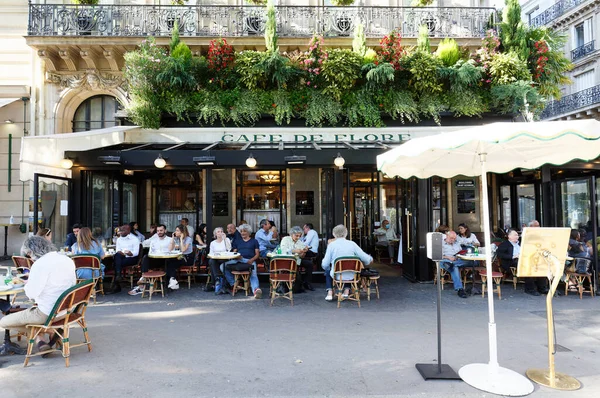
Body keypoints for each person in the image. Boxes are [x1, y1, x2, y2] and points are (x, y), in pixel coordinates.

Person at [0, 236, 75, 352]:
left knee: (4, 322)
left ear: (31, 251)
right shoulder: (67, 260)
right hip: (65, 310)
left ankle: (51, 331)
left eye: (28, 254)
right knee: (31, 312)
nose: (29, 257)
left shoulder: (39, 264)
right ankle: (44, 337)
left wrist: (28, 283)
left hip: (46, 312)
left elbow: (31, 294)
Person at [321, 225, 373, 302]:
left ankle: (330, 292)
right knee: (348, 268)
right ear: (346, 233)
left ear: (334, 234)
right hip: (352, 275)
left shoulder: (331, 245)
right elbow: (365, 258)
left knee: (328, 271)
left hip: (337, 275)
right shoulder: (352, 244)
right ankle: (346, 291)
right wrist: (370, 259)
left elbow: (325, 264)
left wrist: (328, 268)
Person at [497, 228, 546, 296]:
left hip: (524, 259)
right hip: (511, 262)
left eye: (517, 235)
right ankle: (530, 289)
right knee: (527, 266)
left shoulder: (520, 243)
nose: (517, 236)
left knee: (539, 264)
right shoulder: (505, 244)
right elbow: (500, 255)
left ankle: (542, 288)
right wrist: (513, 256)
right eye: (515, 235)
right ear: (509, 236)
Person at [129, 224, 171, 295]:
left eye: (161, 230)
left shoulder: (169, 240)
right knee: (145, 257)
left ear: (165, 231)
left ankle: (166, 285)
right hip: (155, 259)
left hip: (165, 260)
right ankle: (143, 278)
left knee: (168, 262)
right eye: (158, 231)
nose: (159, 232)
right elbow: (150, 250)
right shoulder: (154, 240)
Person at [223, 224, 262, 299]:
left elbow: (257, 254)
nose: (242, 233)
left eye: (244, 231)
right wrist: (236, 256)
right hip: (238, 260)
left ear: (249, 232)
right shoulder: (237, 241)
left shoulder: (254, 241)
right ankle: (233, 284)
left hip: (250, 260)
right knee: (222, 266)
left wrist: (251, 260)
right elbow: (234, 252)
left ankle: (256, 290)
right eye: (241, 231)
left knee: (253, 274)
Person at [280, 226, 314, 291]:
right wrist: (295, 251)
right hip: (287, 260)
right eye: (296, 236)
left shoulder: (299, 242)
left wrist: (303, 252)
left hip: (297, 260)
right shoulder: (285, 239)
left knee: (309, 264)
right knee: (295, 268)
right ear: (291, 234)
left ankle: (307, 282)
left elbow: (302, 255)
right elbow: (283, 250)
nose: (298, 237)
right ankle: (293, 285)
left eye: (299, 236)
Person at [440, 231, 470, 298]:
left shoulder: (456, 243)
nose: (452, 240)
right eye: (451, 238)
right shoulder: (441, 244)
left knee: (467, 261)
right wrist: (448, 257)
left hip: (456, 260)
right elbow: (437, 256)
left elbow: (460, 253)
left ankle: (452, 264)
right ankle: (460, 289)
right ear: (447, 236)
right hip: (445, 260)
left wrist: (458, 256)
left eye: (454, 238)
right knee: (454, 268)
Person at [165, 224, 193, 292]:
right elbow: (170, 249)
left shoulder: (188, 239)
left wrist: (181, 239)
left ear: (182, 232)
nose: (175, 232)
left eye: (177, 230)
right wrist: (172, 238)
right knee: (167, 261)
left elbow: (183, 250)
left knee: (171, 263)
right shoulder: (176, 238)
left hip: (187, 258)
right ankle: (172, 280)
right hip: (179, 257)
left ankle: (171, 280)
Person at [112, 224, 140, 292]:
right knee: (117, 256)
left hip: (132, 258)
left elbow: (136, 253)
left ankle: (117, 281)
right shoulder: (119, 239)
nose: (121, 232)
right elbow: (117, 250)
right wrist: (120, 252)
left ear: (128, 231)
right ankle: (118, 276)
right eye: (120, 230)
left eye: (123, 230)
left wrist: (130, 253)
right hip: (122, 257)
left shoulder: (135, 239)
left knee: (116, 263)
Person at [209, 227, 232, 295]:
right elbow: (211, 253)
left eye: (221, 231)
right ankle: (218, 279)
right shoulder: (213, 243)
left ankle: (216, 280)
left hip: (224, 259)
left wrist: (225, 239)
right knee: (211, 261)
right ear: (215, 234)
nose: (220, 233)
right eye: (218, 232)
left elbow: (229, 249)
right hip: (216, 259)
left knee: (212, 262)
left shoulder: (226, 239)